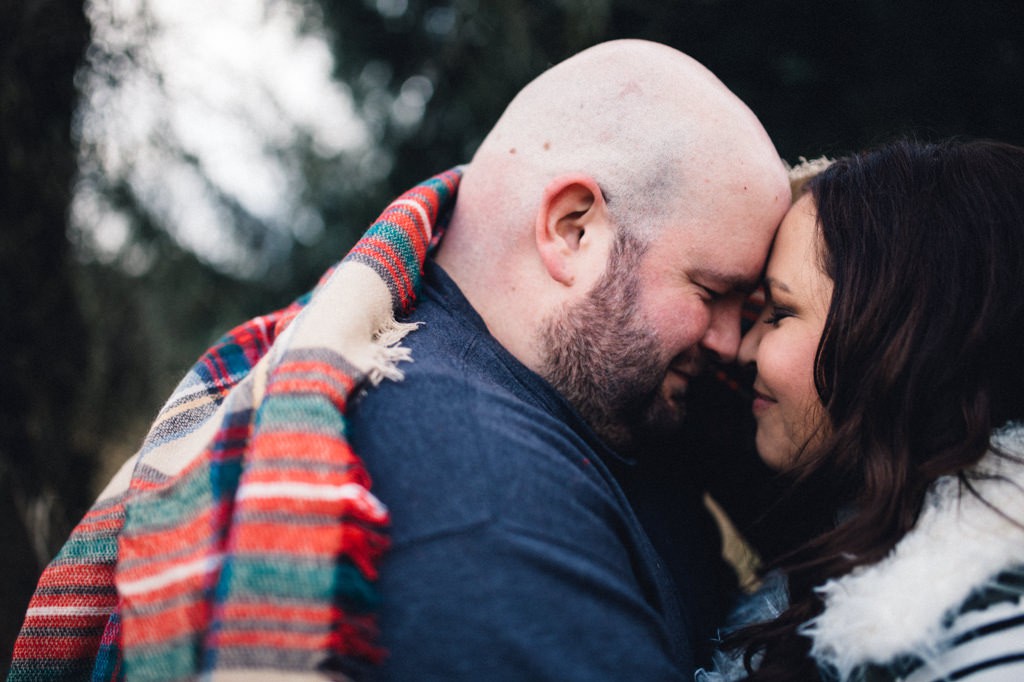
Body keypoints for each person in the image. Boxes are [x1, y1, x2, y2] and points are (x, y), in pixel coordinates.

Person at [10, 40, 790, 680]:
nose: (734, 344)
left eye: (755, 312)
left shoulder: (609, 410)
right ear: (573, 228)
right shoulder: (484, 507)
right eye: (712, 291)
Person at [702, 139, 1024, 682]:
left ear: (903, 342)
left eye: (778, 313)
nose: (741, 348)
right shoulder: (870, 557)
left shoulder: (989, 629)